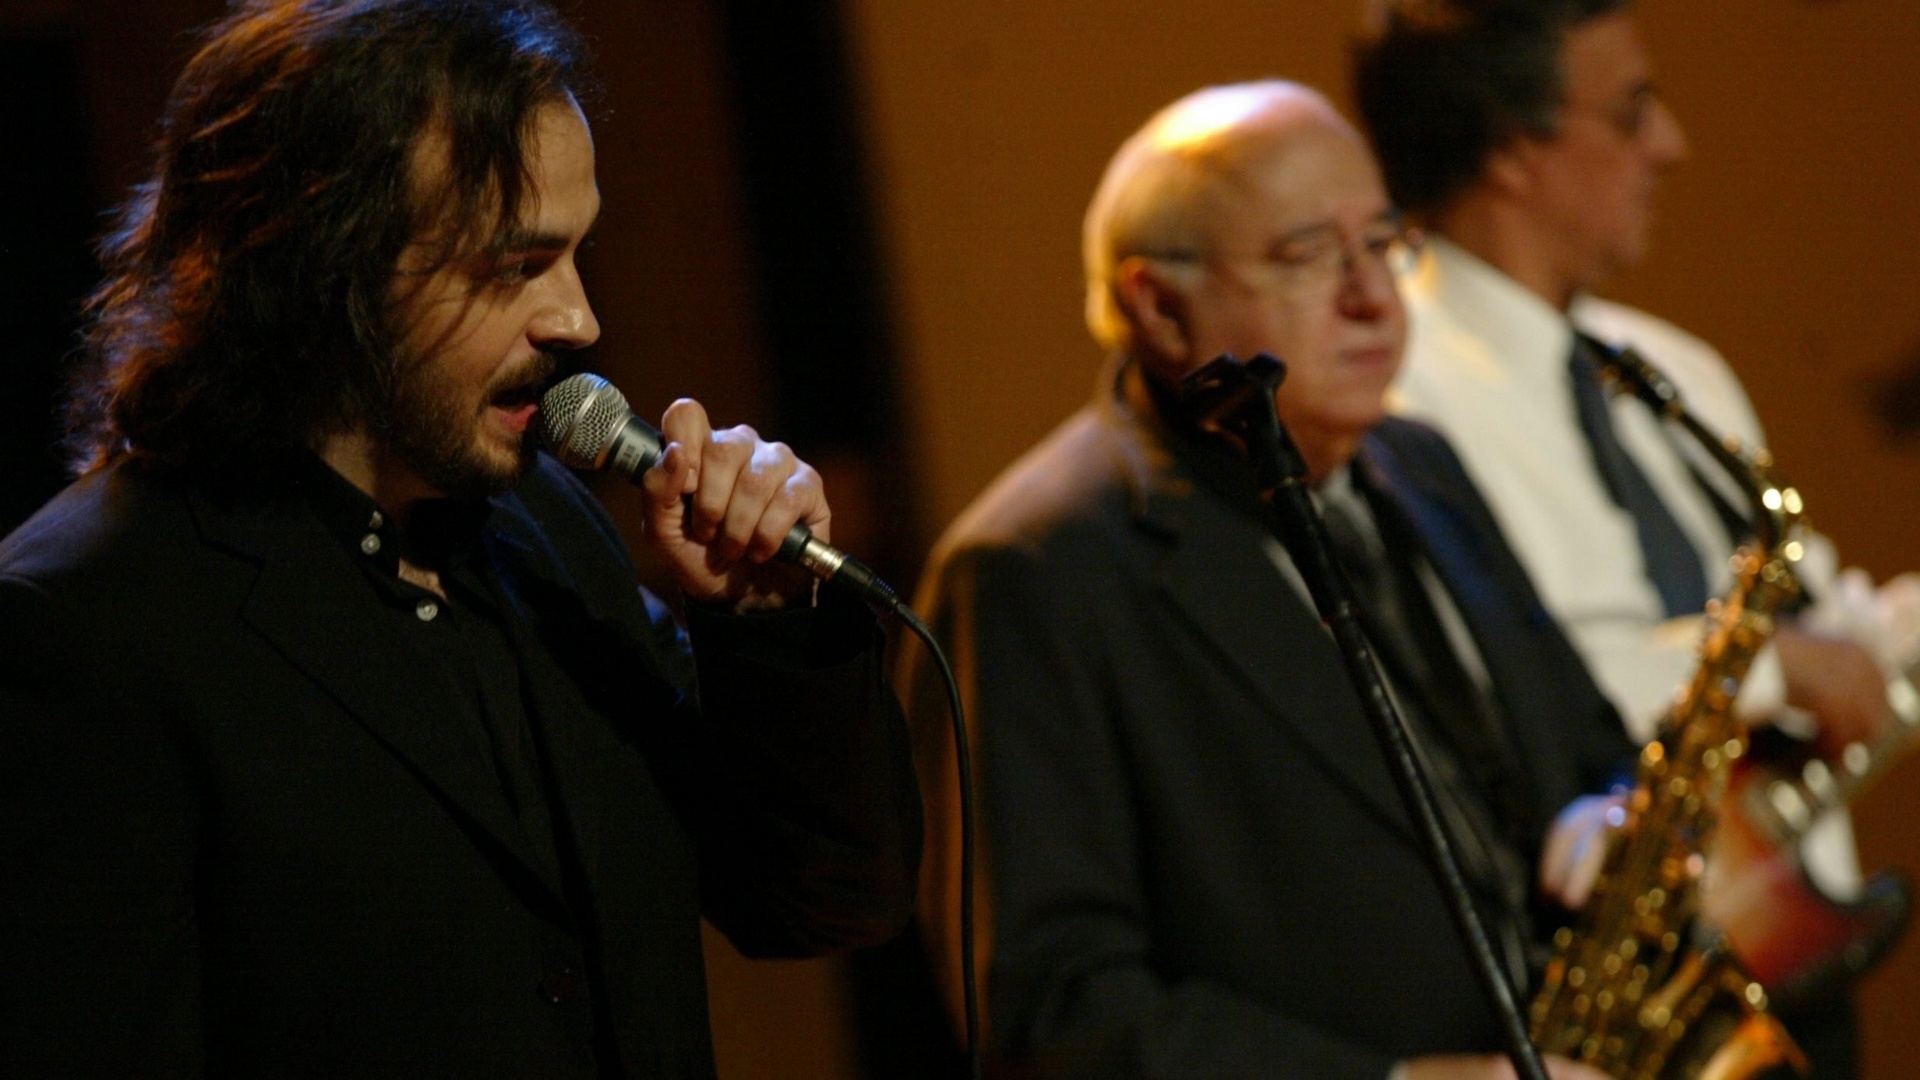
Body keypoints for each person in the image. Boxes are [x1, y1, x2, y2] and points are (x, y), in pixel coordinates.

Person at [0, 2, 919, 1076]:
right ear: (322, 267)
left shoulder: (543, 530)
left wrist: (764, 625)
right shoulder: (79, 622)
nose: (577, 319)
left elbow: (821, 902)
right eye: (513, 266)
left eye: (575, 253)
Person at [903, 80, 1630, 1080]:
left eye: (1381, 243)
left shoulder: (1415, 461)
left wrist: (1616, 809)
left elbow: (1590, 740)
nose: (1374, 297)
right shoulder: (1032, 571)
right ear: (1156, 306)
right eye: (1308, 257)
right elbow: (1054, 1007)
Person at [1356, 3, 1916, 1073]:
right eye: (1630, 111)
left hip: (1788, 973)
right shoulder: (1393, 397)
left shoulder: (1671, 368)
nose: (1672, 145)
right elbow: (1461, 692)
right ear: (1513, 147)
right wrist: (1769, 667)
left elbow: (1834, 629)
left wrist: (1858, 646)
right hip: (1605, 1011)